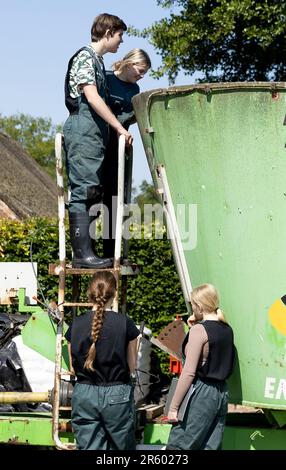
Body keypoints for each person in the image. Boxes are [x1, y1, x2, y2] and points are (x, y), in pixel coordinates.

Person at [63, 13, 133, 269]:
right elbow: (92, 97)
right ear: (108, 33)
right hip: (83, 130)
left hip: (94, 133)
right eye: (119, 36)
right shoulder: (84, 57)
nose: (120, 42)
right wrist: (118, 128)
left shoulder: (98, 61)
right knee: (83, 189)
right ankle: (82, 255)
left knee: (93, 189)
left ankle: (88, 252)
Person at [65, 271, 140, 450]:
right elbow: (132, 366)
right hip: (117, 393)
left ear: (89, 293)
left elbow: (73, 368)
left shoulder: (75, 324)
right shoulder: (125, 323)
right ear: (114, 294)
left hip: (84, 394)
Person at [166, 283, 235, 450]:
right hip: (221, 393)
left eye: (192, 304)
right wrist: (193, 328)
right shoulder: (227, 329)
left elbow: (189, 372)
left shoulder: (199, 331)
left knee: (179, 446)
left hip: (201, 394)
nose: (191, 308)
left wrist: (173, 408)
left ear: (199, 305)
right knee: (210, 446)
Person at [102, 49, 151, 257]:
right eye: (140, 71)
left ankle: (110, 251)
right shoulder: (105, 78)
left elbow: (131, 116)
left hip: (119, 146)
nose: (141, 76)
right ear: (129, 64)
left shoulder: (135, 89)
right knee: (95, 196)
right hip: (99, 142)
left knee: (114, 200)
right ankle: (88, 251)